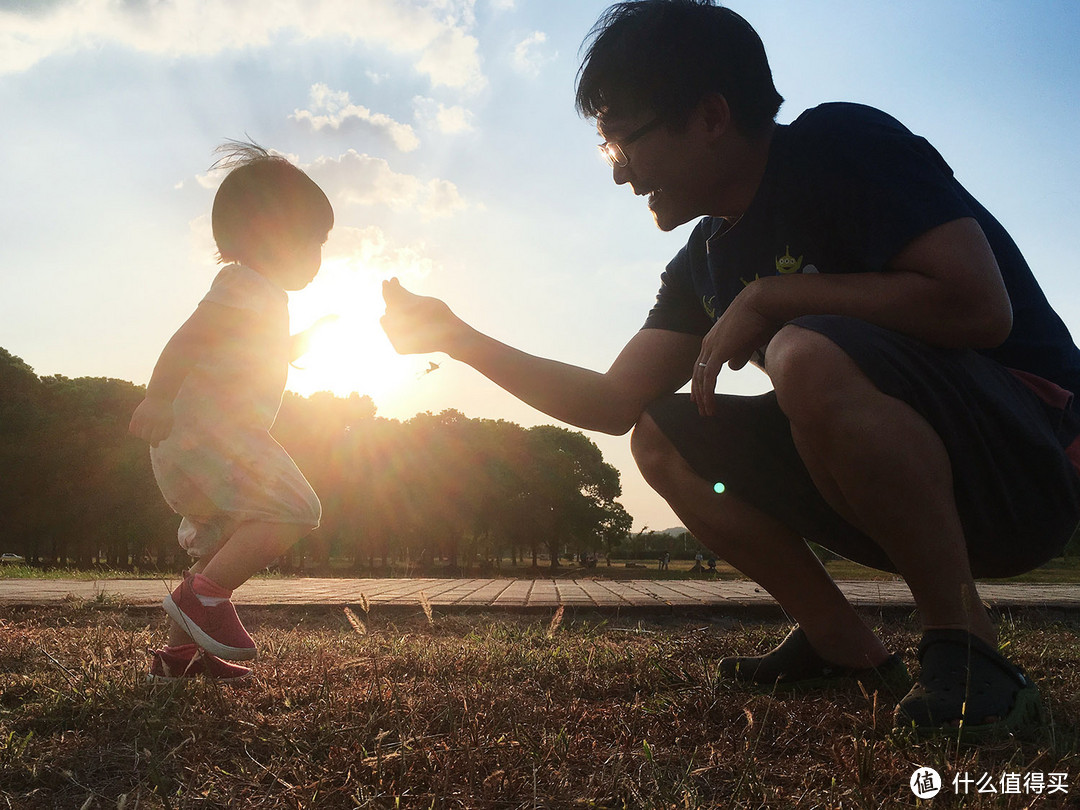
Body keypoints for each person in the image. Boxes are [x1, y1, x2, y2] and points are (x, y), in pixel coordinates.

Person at [381, 0, 1080, 736]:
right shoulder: (703, 263)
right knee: (660, 431)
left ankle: (969, 653)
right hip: (896, 487)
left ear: (711, 116)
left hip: (1030, 460)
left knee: (804, 351)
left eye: (625, 143)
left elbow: (979, 307)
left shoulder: (840, 144)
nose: (621, 176)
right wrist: (456, 337)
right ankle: (843, 648)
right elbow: (614, 400)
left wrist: (772, 299)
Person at [129, 141, 333, 683]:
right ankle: (206, 597)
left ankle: (180, 658)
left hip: (201, 442)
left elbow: (247, 354)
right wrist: (157, 396)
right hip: (211, 434)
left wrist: (304, 342)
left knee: (219, 544)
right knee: (296, 508)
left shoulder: (261, 297)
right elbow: (190, 340)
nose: (319, 257)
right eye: (312, 241)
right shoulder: (244, 285)